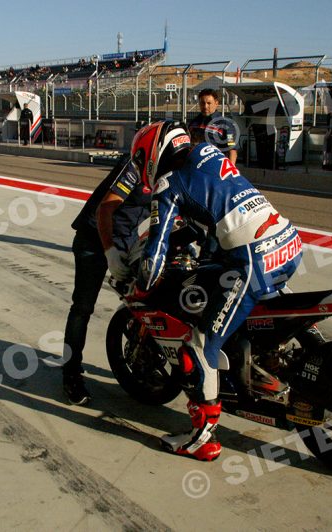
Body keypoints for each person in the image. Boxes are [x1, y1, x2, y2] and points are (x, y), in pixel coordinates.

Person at [131, 120, 302, 461]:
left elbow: (156, 250)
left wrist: (140, 283)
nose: (139, 167)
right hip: (289, 242)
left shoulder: (167, 185)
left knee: (199, 344)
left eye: (139, 160)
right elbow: (215, 200)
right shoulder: (208, 152)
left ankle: (202, 439)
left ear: (151, 153)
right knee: (252, 306)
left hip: (252, 259)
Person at [61, 152, 154, 405]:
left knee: (145, 302)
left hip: (128, 237)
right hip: (94, 235)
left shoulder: (170, 170)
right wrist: (110, 253)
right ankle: (71, 372)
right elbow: (105, 210)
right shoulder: (135, 164)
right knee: (82, 308)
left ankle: (143, 358)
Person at [188, 88, 238, 165]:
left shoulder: (226, 124)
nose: (205, 106)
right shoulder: (193, 123)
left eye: (209, 103)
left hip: (215, 166)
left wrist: (231, 171)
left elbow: (232, 150)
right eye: (202, 103)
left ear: (216, 103)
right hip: (194, 165)